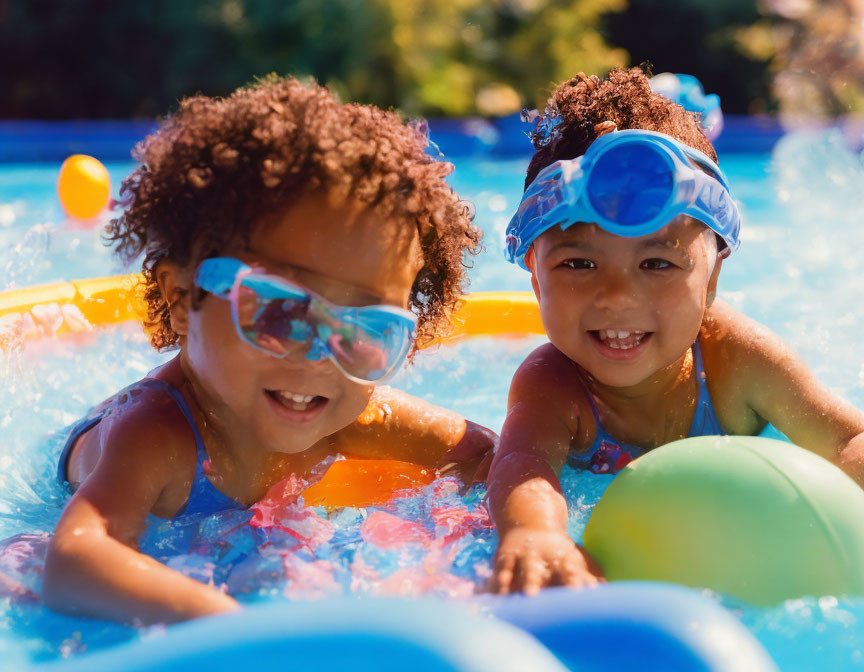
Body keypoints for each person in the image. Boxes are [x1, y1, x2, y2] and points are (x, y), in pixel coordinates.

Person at [43, 77, 496, 624]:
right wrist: (239, 629)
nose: (317, 358)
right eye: (280, 311)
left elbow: (487, 454)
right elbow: (72, 561)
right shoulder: (154, 436)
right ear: (183, 298)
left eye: (364, 330)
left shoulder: (349, 412)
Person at [487, 67, 864, 595]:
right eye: (578, 264)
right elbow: (522, 465)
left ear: (712, 278)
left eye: (658, 264)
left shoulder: (738, 359)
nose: (618, 298)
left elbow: (847, 439)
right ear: (534, 275)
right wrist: (535, 534)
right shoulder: (553, 384)